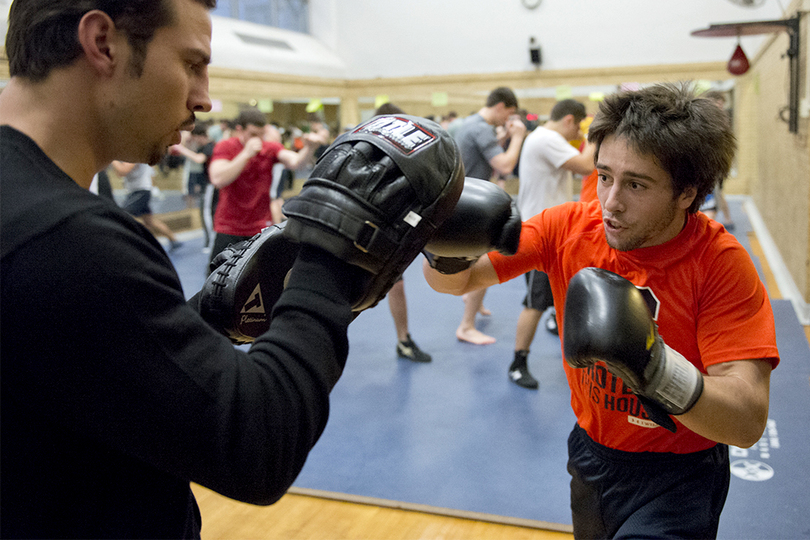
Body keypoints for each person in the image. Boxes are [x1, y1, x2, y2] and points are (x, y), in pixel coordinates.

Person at [0, 0, 393, 536]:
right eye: (192, 64)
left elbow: (83, 366)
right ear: (103, 43)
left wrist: (207, 316)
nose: (205, 98)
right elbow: (259, 442)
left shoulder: (29, 214)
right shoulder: (69, 240)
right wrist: (333, 256)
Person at [424, 82, 778, 538]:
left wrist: (653, 367)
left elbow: (747, 420)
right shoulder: (566, 227)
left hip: (680, 476)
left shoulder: (720, 263)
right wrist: (442, 243)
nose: (610, 202)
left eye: (636, 184)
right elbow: (456, 283)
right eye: (604, 176)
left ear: (687, 193)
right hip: (593, 458)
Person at [508, 99, 595, 389]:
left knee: (564, 293)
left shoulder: (543, 139)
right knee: (534, 302)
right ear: (570, 120)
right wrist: (596, 134)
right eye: (579, 127)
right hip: (540, 235)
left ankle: (558, 325)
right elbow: (585, 166)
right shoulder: (547, 139)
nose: (580, 134)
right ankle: (517, 363)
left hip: (553, 231)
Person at [452, 86, 527, 345]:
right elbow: (504, 165)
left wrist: (505, 136)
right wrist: (518, 138)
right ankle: (466, 326)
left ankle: (475, 302)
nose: (508, 120)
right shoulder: (482, 128)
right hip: (472, 206)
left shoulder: (470, 122)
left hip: (464, 199)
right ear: (500, 107)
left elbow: (486, 152)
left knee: (478, 259)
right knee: (485, 262)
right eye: (509, 114)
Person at [207, 107, 327, 268]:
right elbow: (217, 178)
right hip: (229, 227)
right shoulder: (226, 146)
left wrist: (310, 148)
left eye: (261, 134)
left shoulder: (269, 147)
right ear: (239, 130)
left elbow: (296, 162)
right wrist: (245, 154)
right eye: (253, 135)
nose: (258, 139)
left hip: (259, 227)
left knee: (261, 281)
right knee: (217, 282)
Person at [373, 102, 432, 363]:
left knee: (396, 285)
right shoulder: (365, 151)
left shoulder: (398, 151)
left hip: (385, 231)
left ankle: (404, 340)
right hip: (356, 229)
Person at [113, 160, 184, 251]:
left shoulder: (136, 152)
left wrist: (112, 159)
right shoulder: (135, 153)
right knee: (149, 220)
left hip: (140, 191)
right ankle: (173, 240)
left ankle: (152, 243)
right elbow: (120, 173)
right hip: (137, 190)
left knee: (125, 215)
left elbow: (122, 171)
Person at [172, 124, 216, 248]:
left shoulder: (209, 146)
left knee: (206, 213)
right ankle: (210, 240)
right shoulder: (203, 147)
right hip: (206, 183)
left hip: (210, 184)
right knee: (207, 212)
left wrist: (181, 149)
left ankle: (211, 240)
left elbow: (198, 159)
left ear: (199, 136)